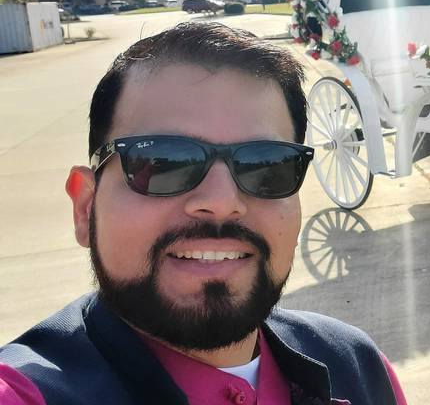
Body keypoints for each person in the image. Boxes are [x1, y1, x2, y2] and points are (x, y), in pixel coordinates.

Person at [0, 22, 406, 405]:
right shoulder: (26, 391)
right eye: (162, 162)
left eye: (266, 166)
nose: (222, 200)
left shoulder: (358, 366)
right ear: (85, 207)